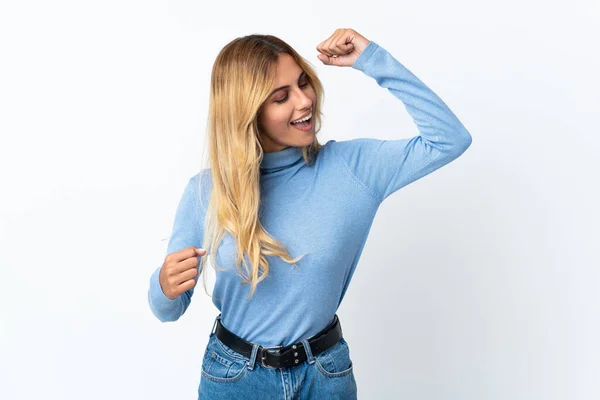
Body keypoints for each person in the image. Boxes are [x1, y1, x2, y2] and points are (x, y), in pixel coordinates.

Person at [147, 28, 472, 399]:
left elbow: (450, 139)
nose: (304, 101)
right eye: (281, 97)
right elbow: (166, 310)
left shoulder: (353, 168)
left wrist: (372, 59)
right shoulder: (206, 192)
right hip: (234, 379)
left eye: (304, 83)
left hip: (324, 377)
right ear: (247, 112)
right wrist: (165, 284)